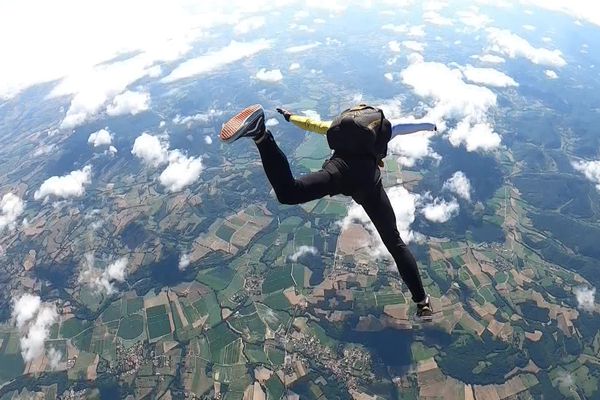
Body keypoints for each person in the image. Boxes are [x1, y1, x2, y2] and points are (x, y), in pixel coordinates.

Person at [219, 104, 435, 320]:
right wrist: (431, 125)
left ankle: (261, 135)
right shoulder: (385, 128)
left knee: (289, 193)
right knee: (395, 243)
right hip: (368, 183)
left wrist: (290, 116)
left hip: (339, 171)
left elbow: (311, 125)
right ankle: (422, 302)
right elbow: (410, 126)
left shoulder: (338, 127)